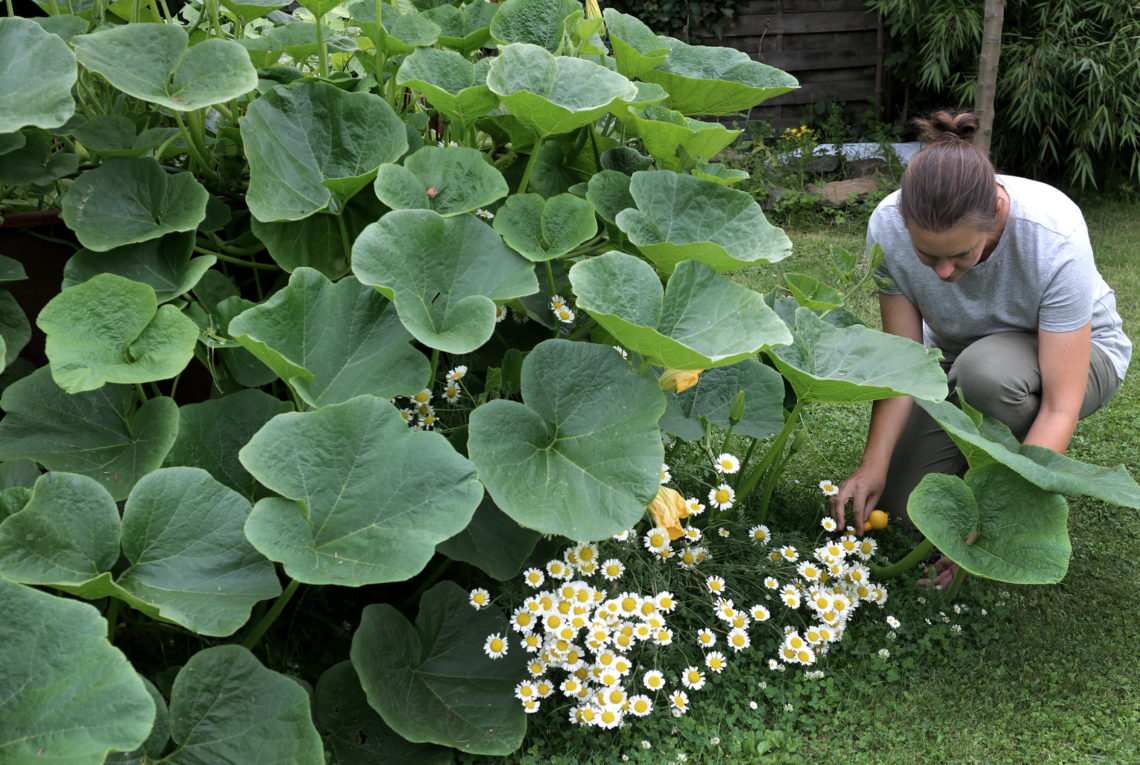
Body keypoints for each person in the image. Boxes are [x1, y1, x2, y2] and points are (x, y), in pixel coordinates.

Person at [828, 111, 1131, 587]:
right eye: (929, 257)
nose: (944, 273)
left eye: (961, 255)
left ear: (995, 213)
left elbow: (1059, 404)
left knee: (986, 374)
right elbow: (904, 365)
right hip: (957, 361)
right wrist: (872, 466)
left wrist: (994, 519)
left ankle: (997, 468)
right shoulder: (887, 226)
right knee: (906, 510)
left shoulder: (1053, 233)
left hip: (1080, 359)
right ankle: (977, 450)